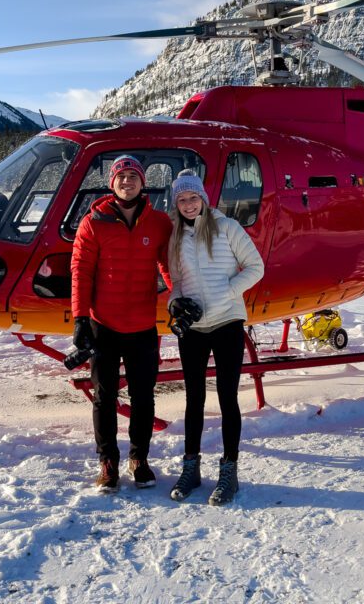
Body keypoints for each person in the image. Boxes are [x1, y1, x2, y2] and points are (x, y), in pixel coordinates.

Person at [71, 154, 172, 493]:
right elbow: (81, 271)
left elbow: (169, 266)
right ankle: (108, 462)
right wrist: (80, 318)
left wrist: (180, 296)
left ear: (143, 182)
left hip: (143, 325)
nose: (127, 181)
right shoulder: (93, 222)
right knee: (104, 396)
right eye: (121, 176)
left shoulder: (159, 223)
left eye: (133, 176)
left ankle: (139, 459)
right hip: (105, 325)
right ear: (111, 183)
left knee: (144, 397)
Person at [166, 169, 264, 505]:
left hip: (227, 322)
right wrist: (175, 303)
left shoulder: (227, 227)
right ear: (176, 204)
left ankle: (228, 472)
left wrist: (227, 292)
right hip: (193, 328)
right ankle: (191, 469)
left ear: (204, 200)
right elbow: (176, 282)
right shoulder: (177, 237)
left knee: (226, 397)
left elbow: (255, 267)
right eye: (182, 199)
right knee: (194, 400)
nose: (189, 204)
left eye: (193, 198)